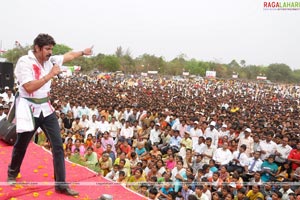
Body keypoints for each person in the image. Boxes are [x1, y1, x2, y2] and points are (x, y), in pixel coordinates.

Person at [7, 33, 92, 196]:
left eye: (52, 49)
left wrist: (83, 52)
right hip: (29, 109)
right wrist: (50, 75)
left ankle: (61, 184)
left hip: (46, 109)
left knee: (58, 146)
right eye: (47, 49)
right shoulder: (25, 62)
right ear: (37, 48)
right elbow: (30, 87)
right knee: (22, 144)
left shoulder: (50, 60)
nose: (50, 52)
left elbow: (69, 56)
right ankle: (12, 172)